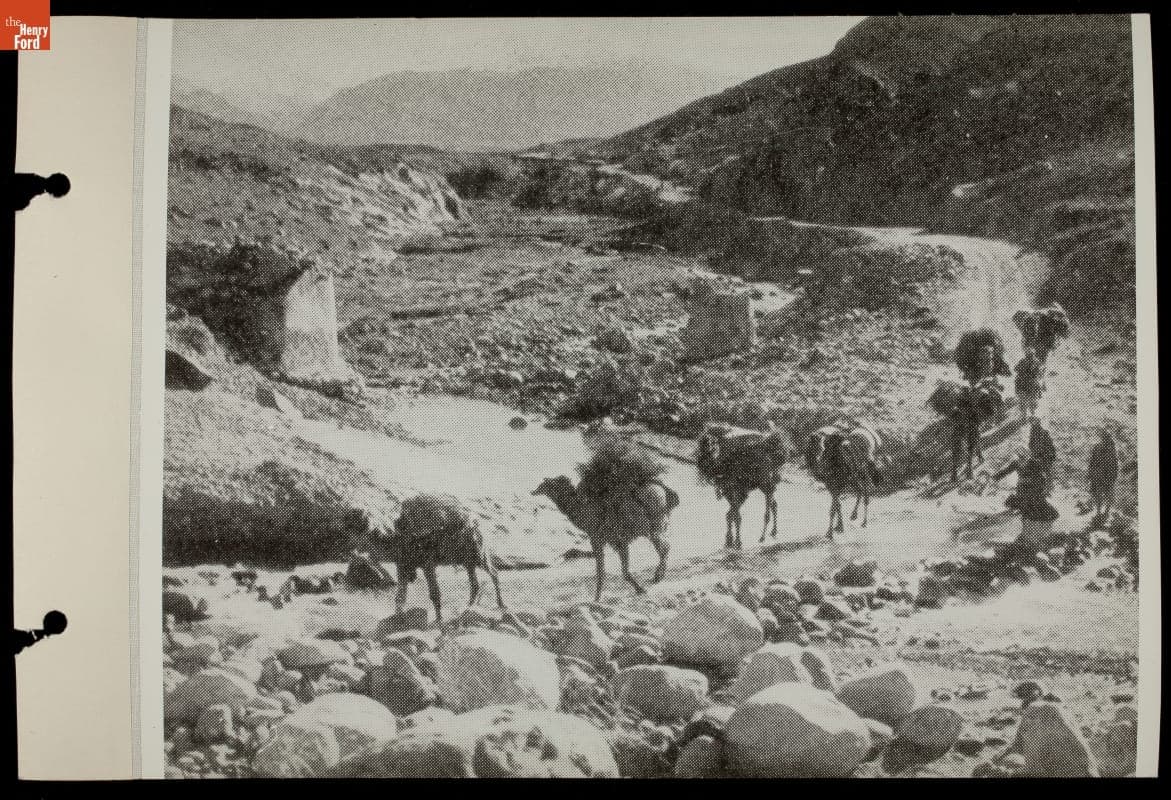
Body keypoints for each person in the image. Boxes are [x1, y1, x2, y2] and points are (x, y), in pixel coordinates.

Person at [1088, 428, 1119, 524]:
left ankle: (1105, 512)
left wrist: (1113, 477)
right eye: (1103, 437)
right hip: (1099, 475)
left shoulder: (1111, 449)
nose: (1104, 439)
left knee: (1106, 494)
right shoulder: (1097, 447)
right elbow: (1092, 462)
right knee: (1099, 494)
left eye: (1105, 437)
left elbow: (1114, 465)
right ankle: (1100, 512)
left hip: (1106, 475)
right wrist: (1090, 473)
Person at [1014, 347, 1044, 420]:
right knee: (1022, 402)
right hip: (1023, 385)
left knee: (1033, 402)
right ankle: (1024, 415)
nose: (1030, 357)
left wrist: (1039, 386)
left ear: (1033, 355)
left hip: (1032, 386)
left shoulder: (1036, 362)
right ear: (1026, 355)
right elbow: (1016, 369)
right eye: (1028, 355)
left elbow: (1040, 374)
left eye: (1031, 355)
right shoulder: (1022, 362)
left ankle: (1032, 414)